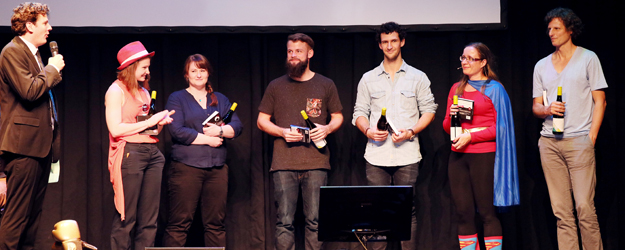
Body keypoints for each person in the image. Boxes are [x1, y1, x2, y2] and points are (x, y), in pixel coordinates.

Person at [352, 22, 437, 250]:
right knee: (376, 210)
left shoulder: (417, 77)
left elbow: (429, 110)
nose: (390, 46)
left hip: (407, 154)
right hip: (376, 155)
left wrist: (411, 131)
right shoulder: (368, 78)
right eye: (385, 42)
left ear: (402, 42)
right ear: (380, 45)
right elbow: (358, 113)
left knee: (405, 209)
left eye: (394, 41)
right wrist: (368, 131)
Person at [257, 33, 343, 250]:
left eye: (298, 51)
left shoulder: (326, 84)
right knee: (284, 222)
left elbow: (338, 117)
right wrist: (282, 132)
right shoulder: (275, 86)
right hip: (284, 163)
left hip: (316, 162)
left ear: (310, 54)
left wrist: (327, 128)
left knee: (315, 222)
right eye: (289, 51)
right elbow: (261, 121)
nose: (293, 56)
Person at [532, 8, 607, 250]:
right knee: (561, 212)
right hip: (549, 143)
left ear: (570, 30)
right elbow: (536, 107)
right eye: (549, 29)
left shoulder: (588, 58)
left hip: (579, 141)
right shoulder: (541, 66)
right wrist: (547, 109)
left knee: (584, 207)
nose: (551, 33)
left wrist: (591, 137)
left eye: (556, 28)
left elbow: (600, 101)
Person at [0, 2, 65, 249]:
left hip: (39, 148)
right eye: (44, 23)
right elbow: (29, 91)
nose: (49, 27)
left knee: (31, 221)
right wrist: (52, 68)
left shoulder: (34, 54)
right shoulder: (12, 52)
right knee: (16, 219)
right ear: (29, 25)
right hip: (22, 148)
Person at [443, 42, 519, 250]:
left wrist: (472, 137)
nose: (465, 62)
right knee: (463, 213)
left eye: (470, 58)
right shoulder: (456, 89)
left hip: (483, 156)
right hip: (458, 157)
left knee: (486, 213)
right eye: (463, 58)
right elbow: (446, 126)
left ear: (483, 62)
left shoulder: (495, 89)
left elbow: (502, 128)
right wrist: (453, 119)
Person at [162, 54, 243, 247]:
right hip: (186, 168)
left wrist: (220, 131)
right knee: (179, 223)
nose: (198, 75)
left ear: (208, 73)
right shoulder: (177, 98)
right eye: (194, 71)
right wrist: (210, 139)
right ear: (186, 75)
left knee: (216, 224)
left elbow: (238, 126)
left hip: (216, 169)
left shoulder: (220, 99)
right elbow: (178, 131)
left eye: (202, 70)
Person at [105, 41, 174, 250]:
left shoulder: (144, 92)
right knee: (127, 217)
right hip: (130, 154)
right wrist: (151, 121)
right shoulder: (116, 90)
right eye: (143, 67)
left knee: (149, 220)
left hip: (152, 153)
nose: (147, 71)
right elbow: (116, 129)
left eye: (148, 67)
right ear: (131, 67)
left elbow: (147, 130)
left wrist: (159, 124)